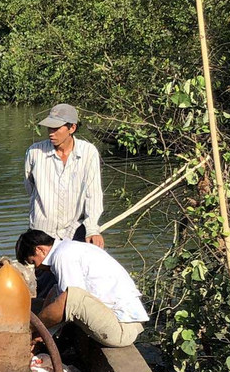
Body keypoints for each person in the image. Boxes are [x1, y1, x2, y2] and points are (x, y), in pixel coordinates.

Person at [15, 229, 147, 347]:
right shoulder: (69, 248)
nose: (37, 268)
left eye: (33, 262)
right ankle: (42, 334)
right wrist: (45, 332)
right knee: (57, 290)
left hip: (122, 329)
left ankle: (33, 330)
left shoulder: (63, 255)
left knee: (71, 296)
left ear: (40, 250)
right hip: (122, 323)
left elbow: (70, 301)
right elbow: (64, 300)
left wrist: (32, 329)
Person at [24, 103, 105, 248]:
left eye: (56, 128)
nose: (51, 132)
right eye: (49, 127)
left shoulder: (88, 153)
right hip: (42, 232)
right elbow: (30, 188)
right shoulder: (34, 152)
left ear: (72, 128)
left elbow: (93, 194)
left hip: (73, 230)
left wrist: (92, 229)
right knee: (44, 270)